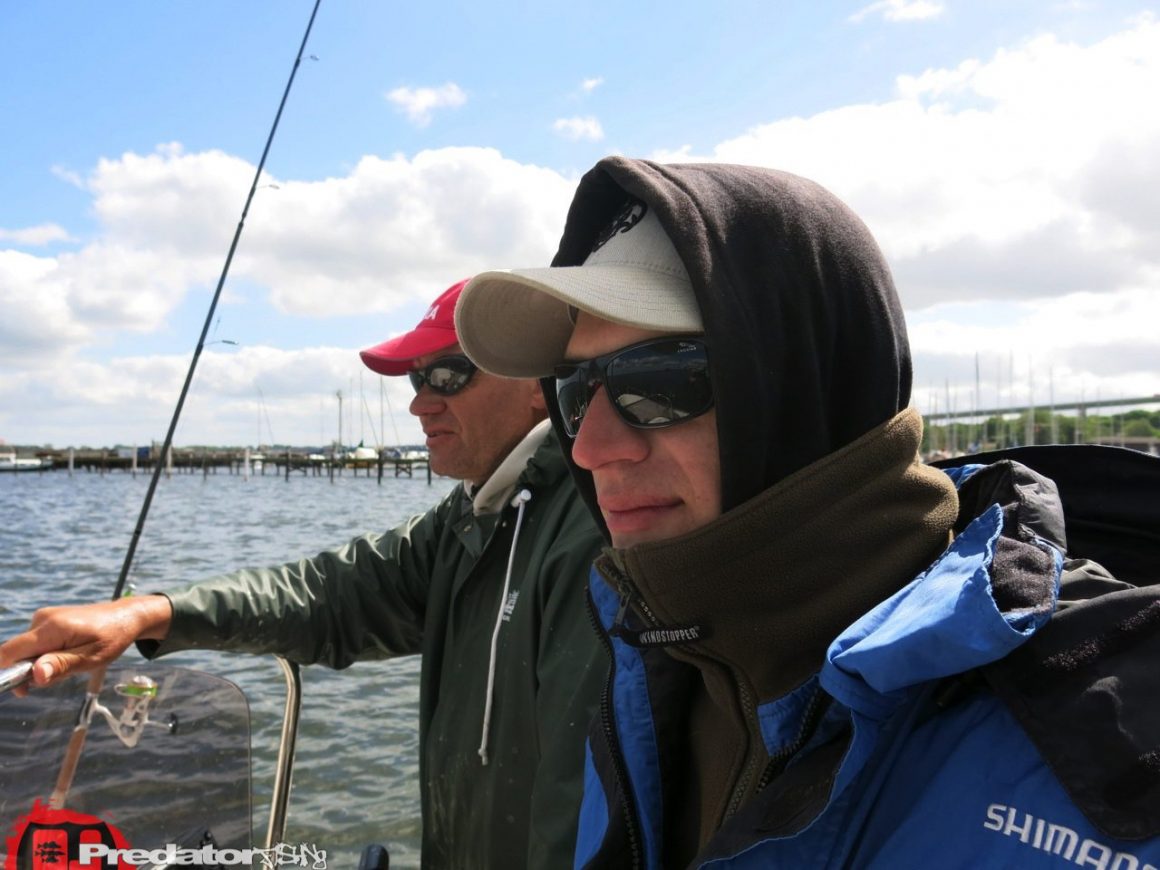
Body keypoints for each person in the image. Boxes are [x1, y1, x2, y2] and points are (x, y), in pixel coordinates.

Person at [453, 159, 1160, 867]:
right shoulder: (651, 660)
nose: (592, 447)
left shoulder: (1112, 744)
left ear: (813, 381)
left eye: (661, 382)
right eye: (576, 392)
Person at [0, 278, 607, 869]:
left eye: (447, 373)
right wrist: (150, 613)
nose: (420, 401)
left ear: (537, 383)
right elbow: (330, 594)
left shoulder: (591, 529)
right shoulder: (475, 514)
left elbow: (580, 800)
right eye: (417, 378)